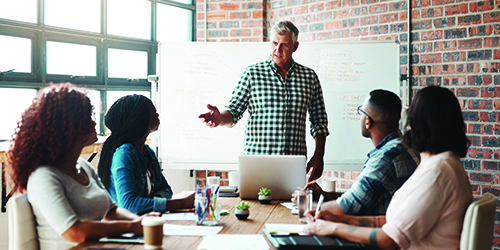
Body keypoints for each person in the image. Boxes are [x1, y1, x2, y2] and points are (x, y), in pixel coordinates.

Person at [302, 86, 473, 250]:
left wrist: (333, 228)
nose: (406, 119)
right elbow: (394, 223)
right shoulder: (440, 164)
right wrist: (338, 219)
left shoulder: (438, 173)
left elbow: (389, 240)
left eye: (411, 114)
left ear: (422, 124)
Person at [4, 83, 158, 250]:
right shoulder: (44, 176)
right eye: (86, 118)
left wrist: (139, 221)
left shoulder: (83, 166)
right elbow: (75, 232)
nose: (93, 123)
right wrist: (132, 226)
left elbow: (111, 211)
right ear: (67, 127)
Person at [198, 20, 329, 182]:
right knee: (254, 207)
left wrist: (319, 155)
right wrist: (220, 118)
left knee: (294, 207)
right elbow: (233, 110)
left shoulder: (309, 77)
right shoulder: (252, 74)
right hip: (257, 164)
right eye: (274, 43)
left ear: (295, 47)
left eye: (284, 45)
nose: (278, 50)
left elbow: (319, 121)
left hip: (293, 165)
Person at [295, 89, 419, 216]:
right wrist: (325, 195)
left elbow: (345, 209)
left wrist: (306, 204)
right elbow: (360, 198)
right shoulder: (405, 146)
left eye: (361, 112)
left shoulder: (384, 159)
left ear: (367, 121)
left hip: (373, 231)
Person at [98, 94, 195, 215]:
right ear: (140, 118)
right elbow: (129, 205)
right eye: (153, 111)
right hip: (125, 228)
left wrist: (151, 202)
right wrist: (182, 203)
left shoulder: (147, 152)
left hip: (146, 221)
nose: (157, 114)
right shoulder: (124, 154)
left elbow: (166, 189)